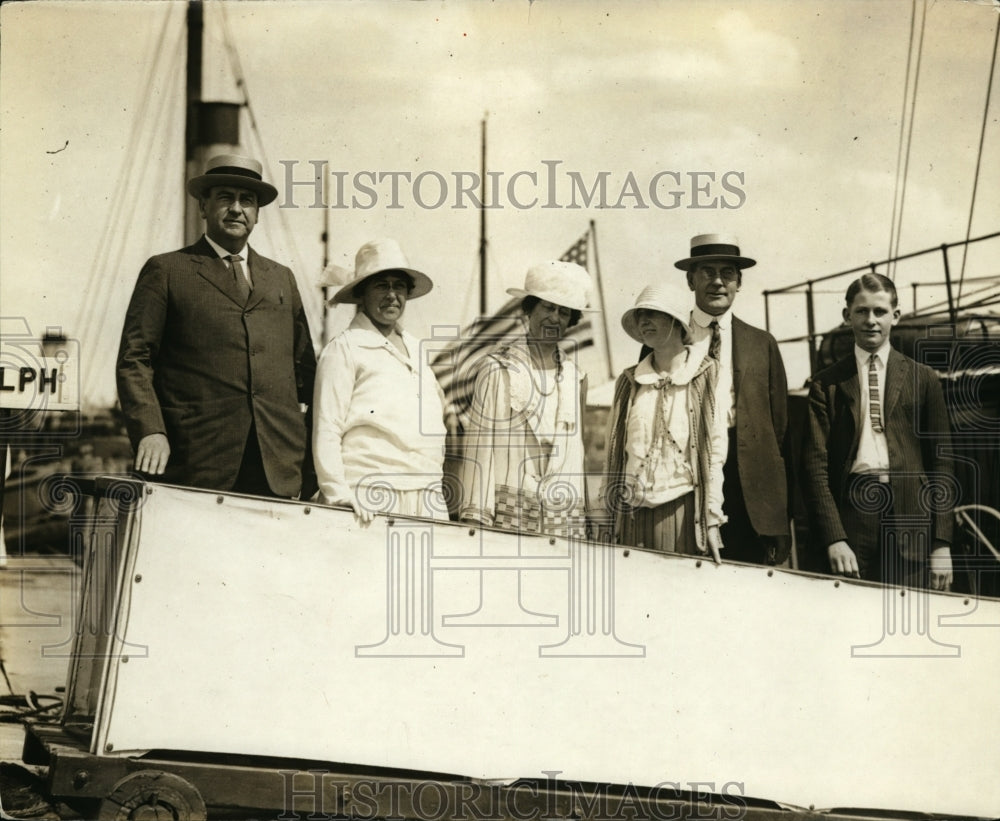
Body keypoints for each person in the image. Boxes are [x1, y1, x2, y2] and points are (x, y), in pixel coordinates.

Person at [116, 154, 316, 498]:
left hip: (277, 467)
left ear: (256, 213)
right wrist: (151, 430)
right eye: (225, 197)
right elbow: (135, 359)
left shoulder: (281, 278)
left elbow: (307, 373)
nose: (237, 208)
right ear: (203, 206)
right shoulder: (167, 270)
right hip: (197, 462)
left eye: (247, 200)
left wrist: (310, 462)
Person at [802, 274, 954, 589]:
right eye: (862, 311)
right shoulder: (825, 384)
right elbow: (815, 466)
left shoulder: (923, 379)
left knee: (909, 622)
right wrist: (835, 537)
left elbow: (942, 464)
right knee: (850, 623)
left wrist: (941, 542)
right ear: (847, 317)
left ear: (895, 316)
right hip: (852, 520)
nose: (871, 320)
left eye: (880, 312)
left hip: (912, 521)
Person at [674, 233, 790, 565]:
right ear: (690, 279)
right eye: (707, 271)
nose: (717, 281)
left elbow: (780, 436)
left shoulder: (762, 343)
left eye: (727, 273)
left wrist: (780, 521)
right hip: (688, 482)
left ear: (739, 282)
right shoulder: (669, 339)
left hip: (749, 493)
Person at [313, 239, 447, 524]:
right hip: (369, 492)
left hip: (427, 494)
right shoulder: (344, 348)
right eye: (380, 286)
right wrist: (338, 493)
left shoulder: (417, 348)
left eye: (398, 286)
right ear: (361, 294)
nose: (391, 295)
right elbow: (327, 426)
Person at [458, 261, 592, 538]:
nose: (554, 318)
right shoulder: (497, 368)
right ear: (529, 309)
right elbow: (479, 450)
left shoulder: (575, 377)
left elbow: (577, 456)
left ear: (571, 320)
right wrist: (476, 518)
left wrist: (582, 522)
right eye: (547, 307)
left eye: (563, 312)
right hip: (507, 514)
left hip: (561, 520)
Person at [603, 285, 725, 563]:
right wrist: (609, 520)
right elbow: (614, 454)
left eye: (653, 314)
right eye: (640, 315)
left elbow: (715, 453)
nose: (644, 321)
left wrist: (712, 521)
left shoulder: (706, 375)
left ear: (676, 321)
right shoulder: (629, 382)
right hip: (632, 514)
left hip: (683, 512)